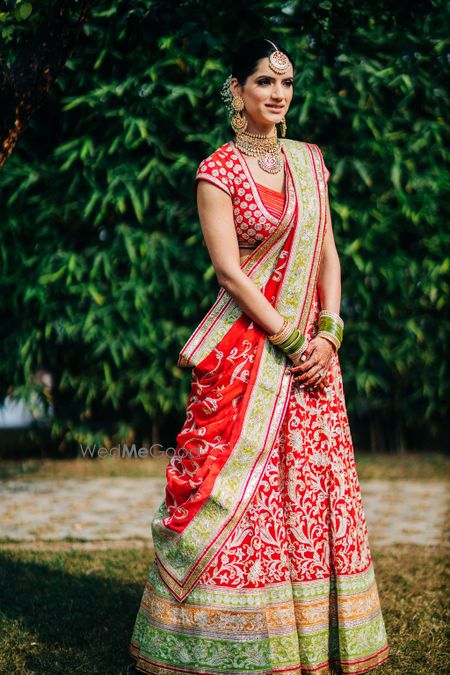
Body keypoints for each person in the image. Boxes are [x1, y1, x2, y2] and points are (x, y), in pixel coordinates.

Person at [129, 37, 390, 674]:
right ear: (237, 91)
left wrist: (330, 332)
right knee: (231, 490)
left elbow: (327, 252)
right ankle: (213, 640)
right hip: (251, 351)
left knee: (309, 491)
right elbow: (229, 274)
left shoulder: (309, 162)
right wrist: (294, 338)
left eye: (288, 84)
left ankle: (312, 637)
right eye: (265, 83)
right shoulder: (217, 172)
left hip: (312, 360)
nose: (279, 95)